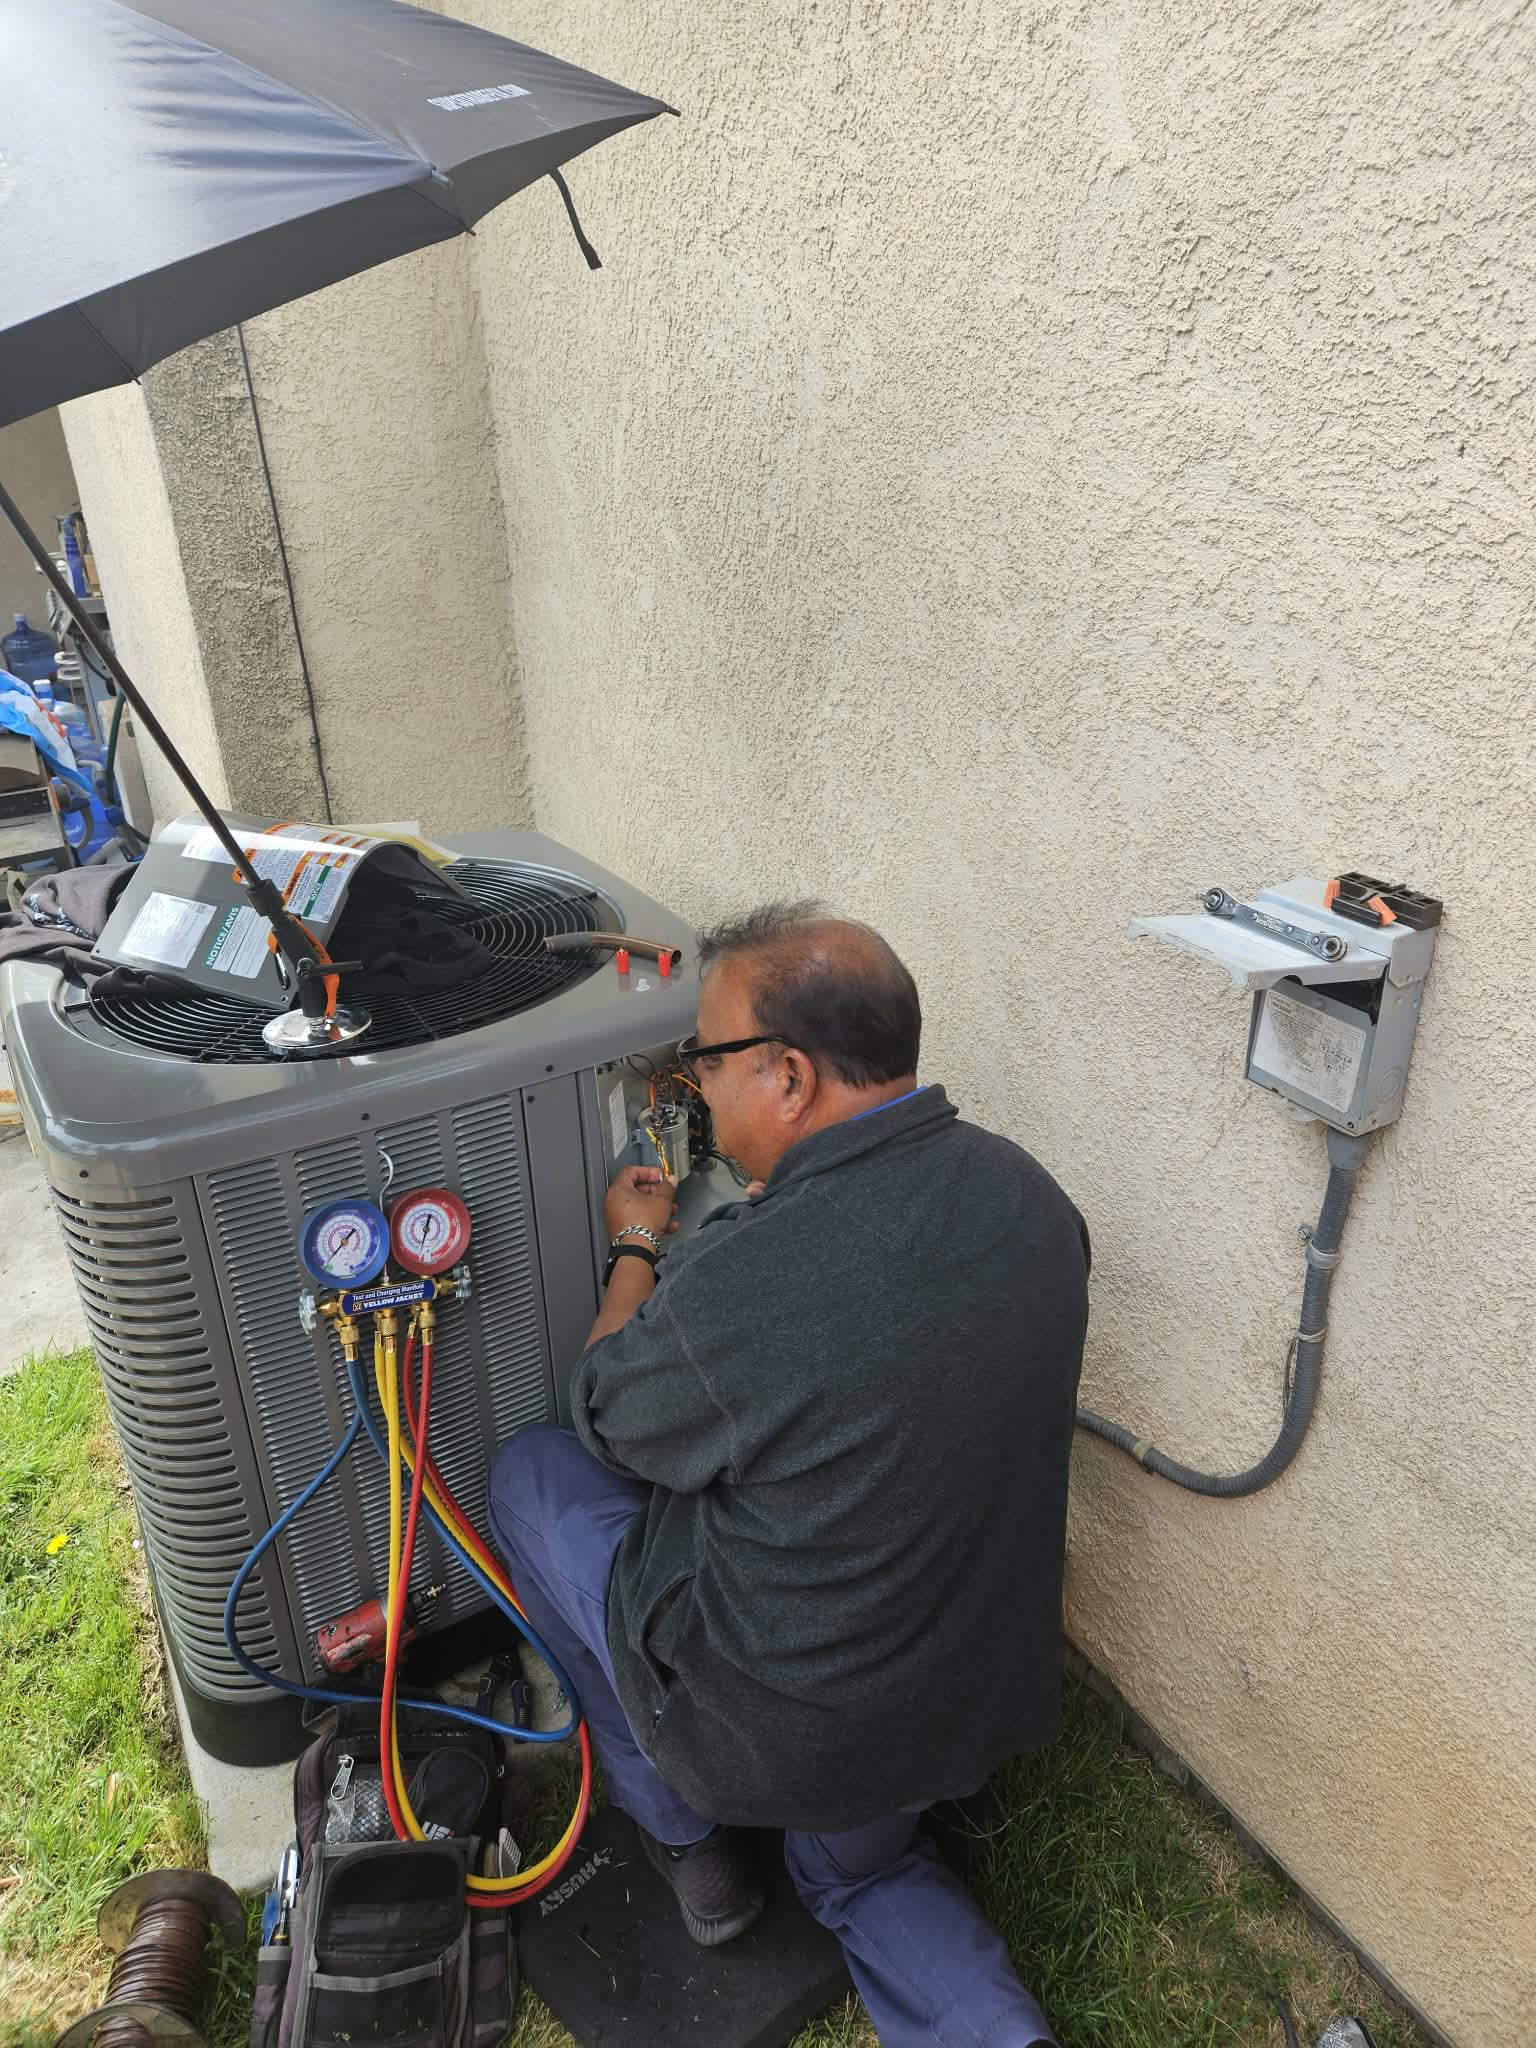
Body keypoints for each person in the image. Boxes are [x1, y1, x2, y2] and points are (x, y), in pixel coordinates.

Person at [488, 902, 1090, 2047]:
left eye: (705, 1061)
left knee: (533, 1472)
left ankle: (690, 1840)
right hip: (965, 1690)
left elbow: (607, 1408)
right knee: (862, 1873)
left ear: (791, 1076)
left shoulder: (740, 1282)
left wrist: (634, 1247)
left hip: (779, 1726)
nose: (695, 1089)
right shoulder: (1031, 1196)